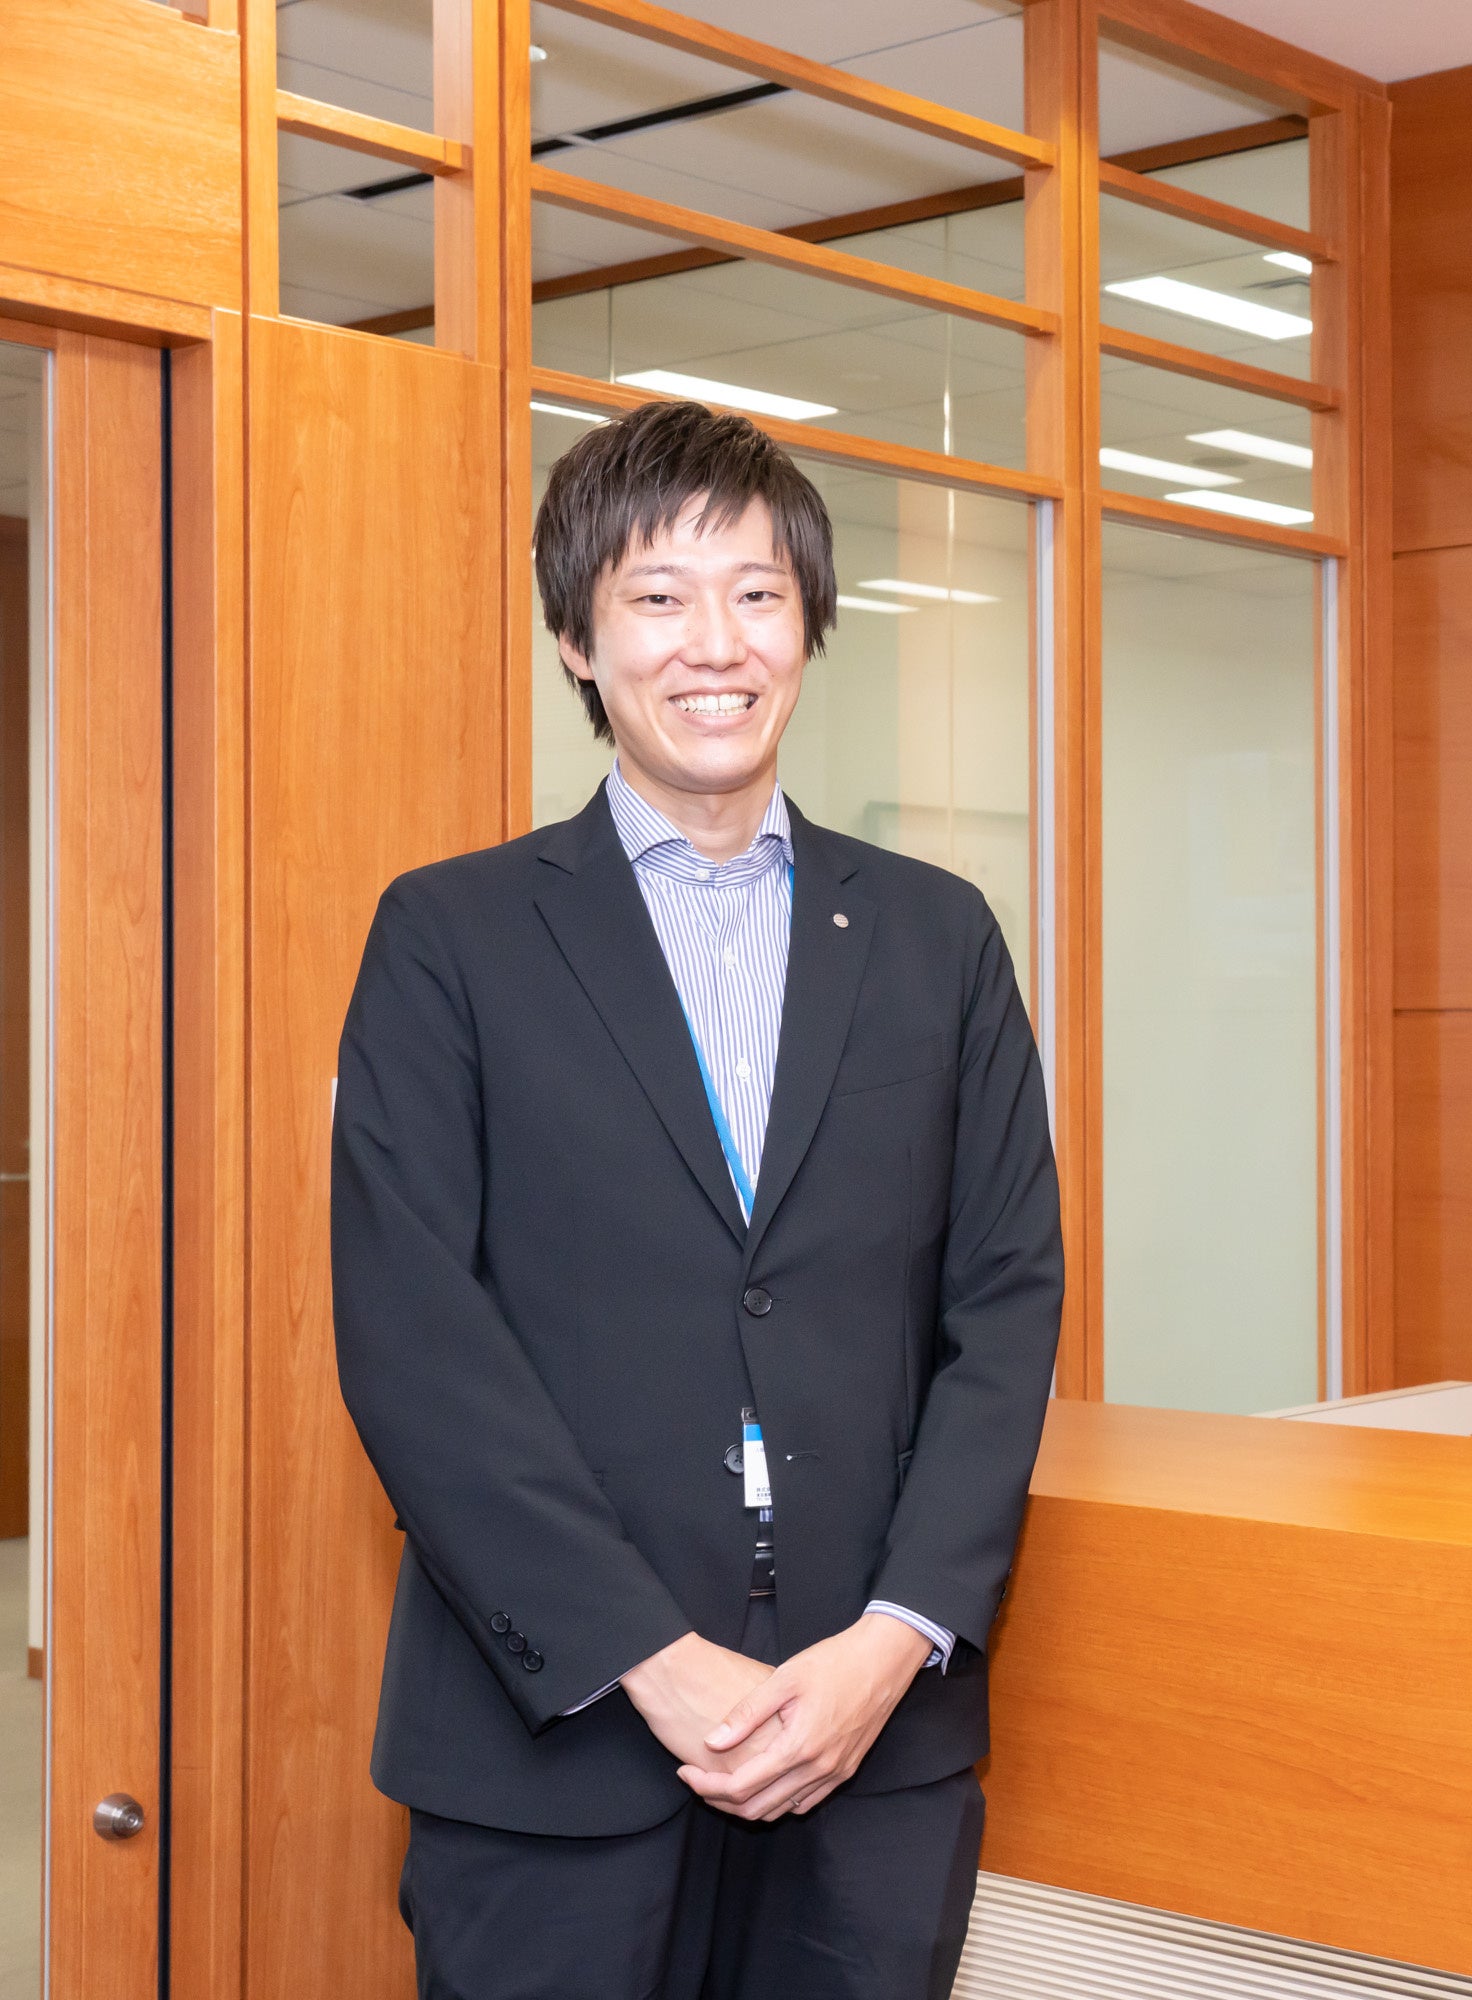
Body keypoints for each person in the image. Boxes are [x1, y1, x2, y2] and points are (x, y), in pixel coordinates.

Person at [331, 398, 1063, 1999]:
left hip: (868, 1738)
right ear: (580, 641)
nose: (713, 643)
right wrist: (651, 1662)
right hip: (557, 1746)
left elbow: (1006, 1307)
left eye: (756, 593)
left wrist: (897, 1638)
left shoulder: (939, 938)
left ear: (808, 626)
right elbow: (414, 1344)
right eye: (658, 597)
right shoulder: (451, 940)